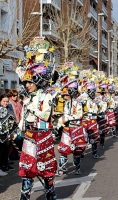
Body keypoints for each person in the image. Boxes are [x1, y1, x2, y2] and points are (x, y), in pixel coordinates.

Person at [16, 38, 57, 200]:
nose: (27, 85)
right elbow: (25, 115)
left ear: (38, 81)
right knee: (26, 167)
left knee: (45, 168)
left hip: (43, 135)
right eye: (26, 82)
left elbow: (45, 115)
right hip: (29, 136)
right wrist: (19, 128)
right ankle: (24, 196)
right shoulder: (29, 96)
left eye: (30, 82)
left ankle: (50, 194)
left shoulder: (47, 96)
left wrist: (28, 104)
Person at [57, 80, 87, 175]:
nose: (65, 95)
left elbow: (79, 115)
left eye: (70, 90)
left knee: (77, 149)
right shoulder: (67, 102)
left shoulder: (79, 101)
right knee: (63, 148)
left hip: (76, 128)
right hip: (67, 128)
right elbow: (65, 114)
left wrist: (67, 117)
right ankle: (61, 168)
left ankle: (77, 168)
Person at [0, 94, 15, 176]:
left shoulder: (8, 108)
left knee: (6, 150)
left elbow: (12, 120)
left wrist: (11, 132)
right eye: (4, 101)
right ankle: (1, 166)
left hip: (7, 133)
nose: (5, 103)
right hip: (1, 134)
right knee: (1, 151)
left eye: (7, 101)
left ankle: (5, 165)